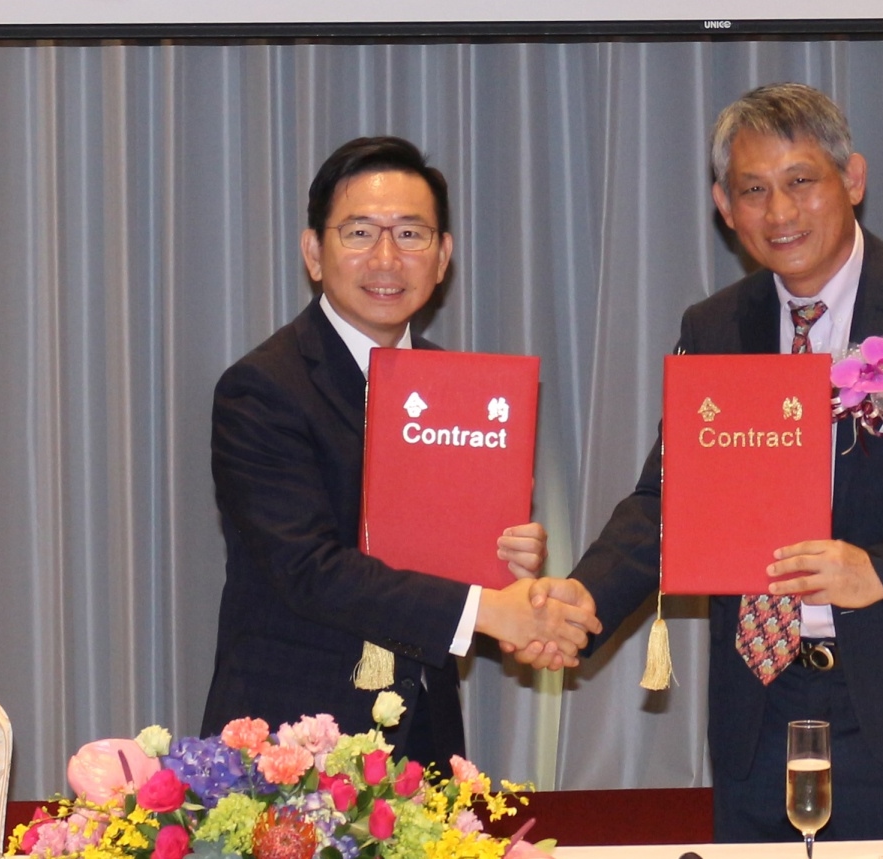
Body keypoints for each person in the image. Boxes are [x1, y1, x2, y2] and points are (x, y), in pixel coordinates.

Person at [554, 84, 883, 841]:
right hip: (761, 704)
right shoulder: (716, 326)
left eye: (801, 181)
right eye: (754, 190)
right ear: (725, 207)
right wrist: (577, 602)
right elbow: (672, 497)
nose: (780, 212)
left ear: (852, 179)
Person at [203, 135, 600, 773]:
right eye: (360, 232)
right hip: (292, 749)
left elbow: (443, 559)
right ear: (314, 253)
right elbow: (310, 570)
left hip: (423, 738)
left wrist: (506, 566)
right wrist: (487, 610)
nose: (386, 258)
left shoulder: (460, 390)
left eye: (411, 235)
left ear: (442, 257)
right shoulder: (263, 388)